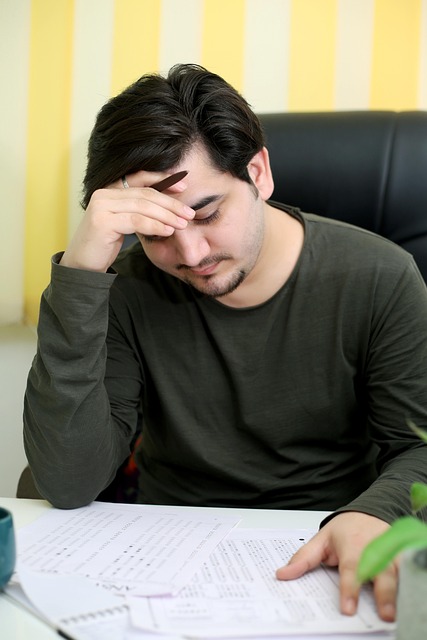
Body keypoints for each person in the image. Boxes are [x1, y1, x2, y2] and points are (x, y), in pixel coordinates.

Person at [24, 63, 427, 623]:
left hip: (329, 538)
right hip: (164, 553)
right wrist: (80, 277)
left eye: (207, 214)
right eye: (157, 231)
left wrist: (375, 514)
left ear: (258, 172)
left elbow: (419, 445)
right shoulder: (127, 287)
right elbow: (68, 481)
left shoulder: (380, 277)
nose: (190, 255)